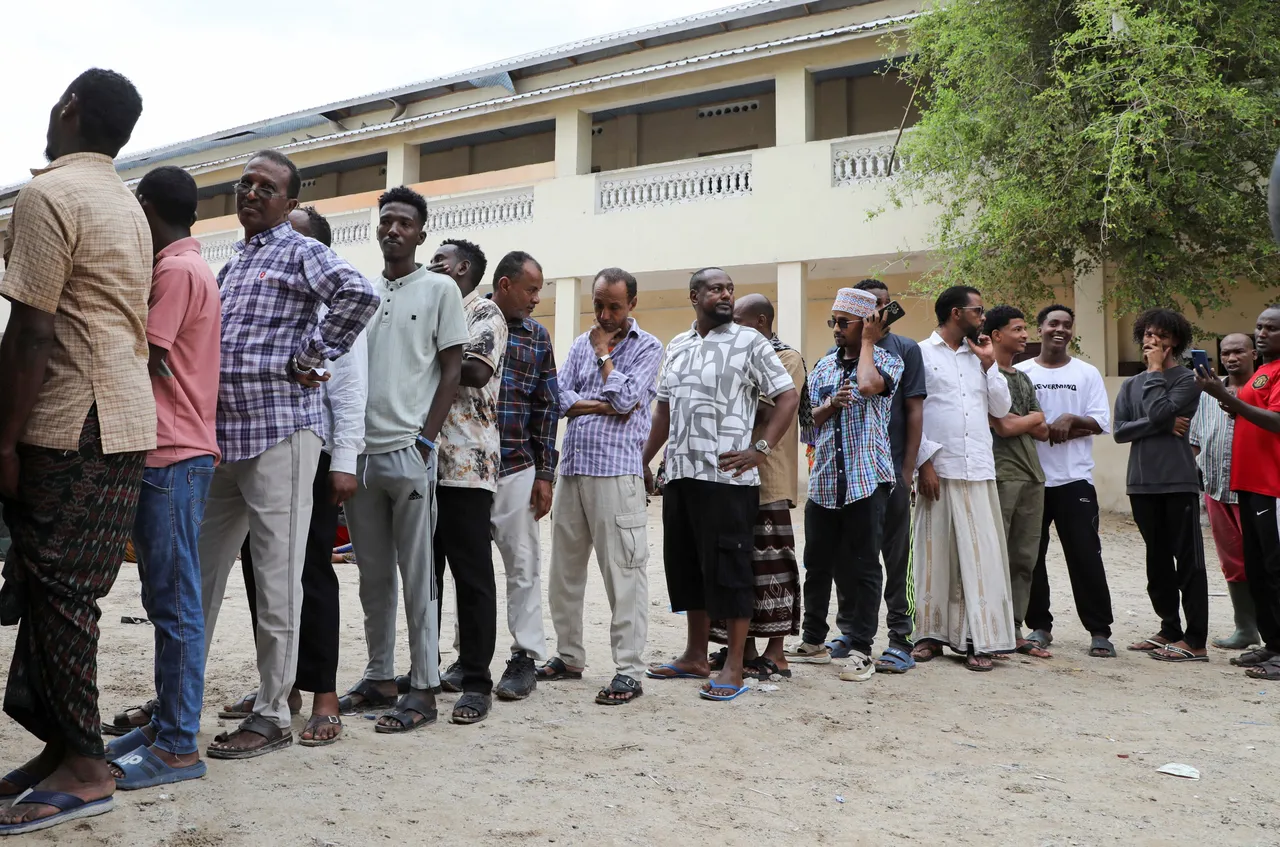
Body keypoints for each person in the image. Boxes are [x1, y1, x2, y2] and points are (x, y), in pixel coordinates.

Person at [0, 69, 153, 834]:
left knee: (57, 593)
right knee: (57, 590)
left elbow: (31, 330)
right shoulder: (125, 204)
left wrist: (1, 439)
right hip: (123, 420)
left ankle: (86, 766)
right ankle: (63, 748)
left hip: (69, 421)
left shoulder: (49, 196)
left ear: (67, 109)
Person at [197, 149, 378, 759]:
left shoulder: (301, 250)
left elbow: (358, 295)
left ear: (288, 202)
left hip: (282, 435)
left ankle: (273, 711)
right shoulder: (233, 263)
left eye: (266, 187)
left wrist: (311, 356)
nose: (251, 192)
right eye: (245, 182)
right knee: (200, 574)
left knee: (280, 579)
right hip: (225, 440)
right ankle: (177, 699)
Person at [95, 166, 221, 791]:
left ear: (146, 207)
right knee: (167, 601)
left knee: (175, 606)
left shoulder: (174, 271)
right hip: (175, 452)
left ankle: (176, 745)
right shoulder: (189, 266)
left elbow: (145, 352)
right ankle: (165, 725)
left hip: (172, 452)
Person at [223, 205, 364, 747]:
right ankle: (280, 690)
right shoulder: (269, 292)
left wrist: (345, 461)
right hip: (267, 444)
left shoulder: (331, 306)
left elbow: (350, 390)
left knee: (309, 573)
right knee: (263, 573)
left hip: (319, 451)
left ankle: (324, 694)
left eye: (298, 239)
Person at [338, 187, 466, 733]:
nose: (393, 230)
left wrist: (426, 441)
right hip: (360, 456)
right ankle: (379, 676)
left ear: (420, 232)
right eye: (386, 221)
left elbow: (453, 371)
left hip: (409, 453)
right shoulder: (362, 291)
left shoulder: (440, 289)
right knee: (372, 575)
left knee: (419, 576)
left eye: (404, 223)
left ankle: (425, 685)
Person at [641, 268, 799, 701]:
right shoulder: (677, 345)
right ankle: (694, 655)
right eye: (716, 288)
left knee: (730, 570)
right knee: (687, 565)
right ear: (695, 296)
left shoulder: (750, 342)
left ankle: (733, 666)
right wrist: (644, 459)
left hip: (729, 478)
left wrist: (760, 449)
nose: (726, 294)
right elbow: (663, 410)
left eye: (729, 288)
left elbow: (787, 396)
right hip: (682, 475)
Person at [539, 268, 663, 705]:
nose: (605, 314)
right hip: (572, 470)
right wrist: (604, 403)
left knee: (624, 573)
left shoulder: (648, 346)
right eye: (599, 305)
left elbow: (628, 401)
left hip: (617, 473)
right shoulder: (576, 343)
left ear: (632, 304)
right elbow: (559, 399)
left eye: (614, 306)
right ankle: (569, 656)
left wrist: (604, 356)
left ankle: (628, 669)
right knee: (564, 573)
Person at [798, 278, 926, 673]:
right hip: (824, 484)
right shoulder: (822, 365)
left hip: (866, 481)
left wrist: (868, 341)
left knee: (866, 565)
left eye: (845, 323)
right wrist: (830, 406)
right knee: (818, 563)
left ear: (867, 324)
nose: (837, 329)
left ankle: (861, 649)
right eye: (833, 322)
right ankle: (813, 639)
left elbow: (870, 386)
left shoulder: (888, 359)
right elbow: (806, 425)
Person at [910, 286, 1016, 671]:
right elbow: (911, 413)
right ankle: (930, 635)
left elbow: (1001, 409)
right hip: (939, 468)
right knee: (933, 555)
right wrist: (924, 464)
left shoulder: (981, 356)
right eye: (978, 310)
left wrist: (990, 365)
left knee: (979, 557)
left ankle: (977, 640)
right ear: (956, 313)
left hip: (978, 469)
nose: (983, 317)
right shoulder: (919, 353)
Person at [707, 293, 807, 679]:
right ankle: (744, 649)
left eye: (741, 322)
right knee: (739, 564)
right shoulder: (742, 356)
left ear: (762, 321)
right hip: (733, 477)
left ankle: (776, 652)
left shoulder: (786, 358)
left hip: (768, 478)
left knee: (773, 567)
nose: (732, 330)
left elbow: (766, 407)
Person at [431, 240, 508, 724]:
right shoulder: (429, 306)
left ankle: (476, 679)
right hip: (422, 463)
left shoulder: (484, 312)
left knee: (472, 577)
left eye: (441, 258)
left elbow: (476, 371)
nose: (432, 264)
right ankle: (424, 672)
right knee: (425, 577)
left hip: (466, 465)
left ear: (464, 269)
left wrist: (422, 355)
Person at [1016, 305, 1115, 658]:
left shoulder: (1086, 373)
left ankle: (1100, 630)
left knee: (1086, 556)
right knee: (1032, 557)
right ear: (1039, 328)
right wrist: (1045, 427)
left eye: (1067, 325)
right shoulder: (1021, 372)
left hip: (1075, 480)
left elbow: (1101, 422)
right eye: (1053, 323)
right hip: (1032, 479)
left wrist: (1070, 419)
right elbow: (1017, 421)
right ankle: (1039, 626)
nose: (1060, 329)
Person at [1115, 308, 1207, 663]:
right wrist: (1163, 425)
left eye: (1162, 336)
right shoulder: (1130, 384)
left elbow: (1154, 411)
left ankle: (1195, 640)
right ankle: (1169, 628)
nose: (1153, 341)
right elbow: (1120, 431)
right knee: (1157, 561)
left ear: (1176, 342)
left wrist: (1154, 374)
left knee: (1188, 562)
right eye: (1149, 335)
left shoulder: (1188, 380)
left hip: (1178, 481)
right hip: (1141, 482)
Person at [488, 253, 558, 702]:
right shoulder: (469, 322)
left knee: (522, 566)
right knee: (468, 569)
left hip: (516, 466)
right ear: (505, 284)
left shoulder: (537, 337)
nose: (536, 299)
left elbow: (547, 405)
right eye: (531, 290)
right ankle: (469, 655)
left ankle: (525, 656)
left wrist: (545, 473)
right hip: (464, 469)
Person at [1196, 307, 1280, 679]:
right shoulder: (1262, 372)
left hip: (1271, 485)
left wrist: (1230, 400)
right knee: (1259, 569)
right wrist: (1235, 407)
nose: (1261, 334)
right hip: (1245, 483)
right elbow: (1248, 413)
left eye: (1271, 328)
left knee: (1276, 570)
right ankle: (1273, 644)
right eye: (1259, 327)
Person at [983, 306, 1051, 658]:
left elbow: (1043, 429)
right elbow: (1005, 426)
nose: (1026, 335)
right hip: (1001, 472)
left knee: (1025, 556)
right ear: (996, 335)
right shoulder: (985, 373)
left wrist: (1027, 419)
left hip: (1032, 475)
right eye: (1018, 328)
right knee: (994, 556)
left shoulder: (1023, 378)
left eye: (1026, 329)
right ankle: (987, 630)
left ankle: (1014, 629)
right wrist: (1031, 418)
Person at [1190, 333, 1258, 649]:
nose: (1231, 358)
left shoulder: (1263, 388)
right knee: (1232, 562)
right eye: (1226, 352)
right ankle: (1245, 629)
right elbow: (1196, 439)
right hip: (1216, 489)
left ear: (1253, 354)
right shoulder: (1207, 392)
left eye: (1238, 352)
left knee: (1268, 561)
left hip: (1256, 490)